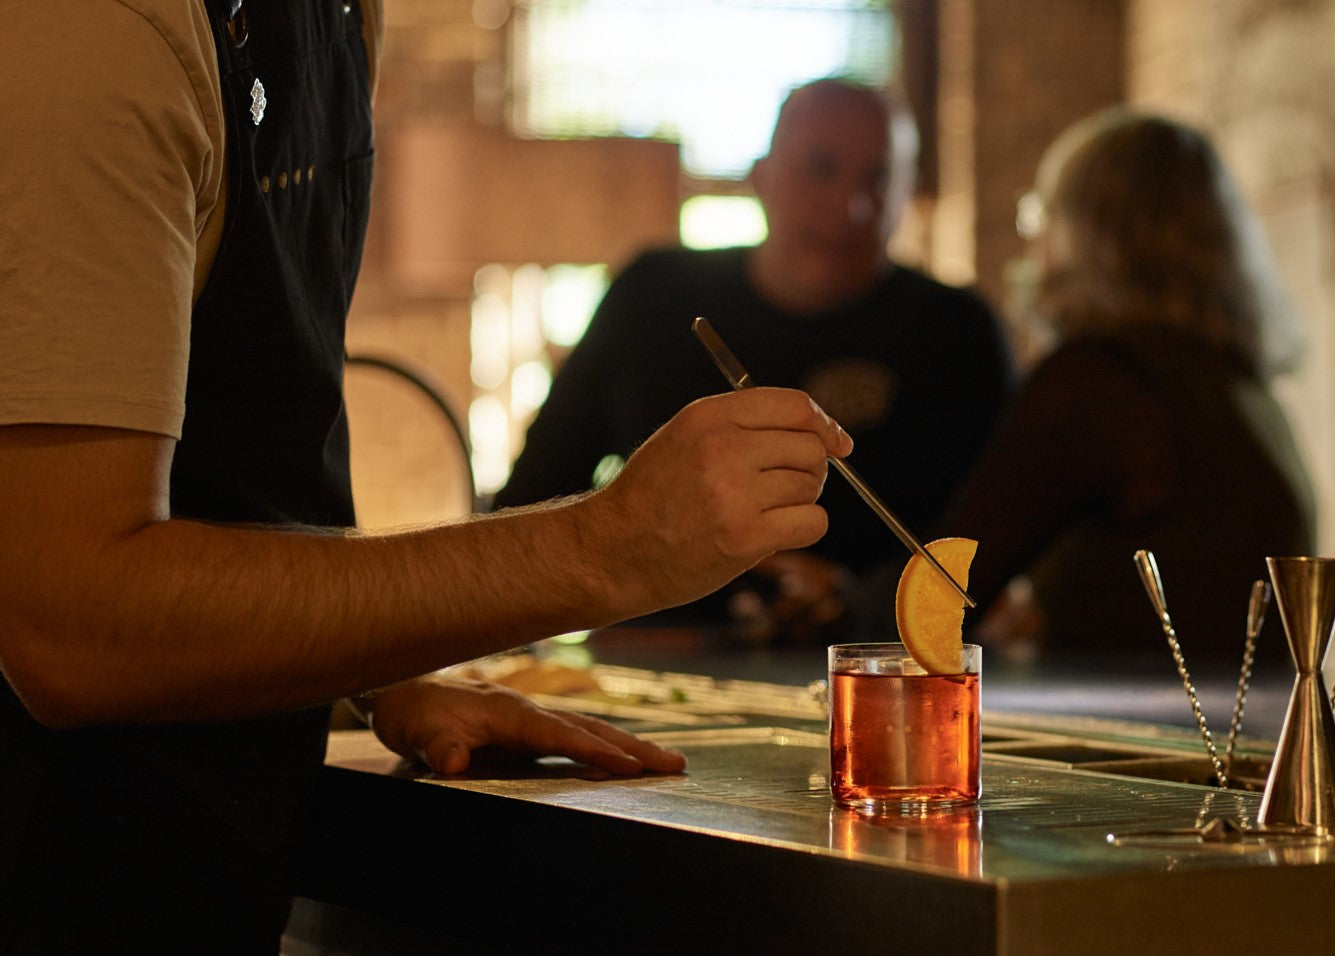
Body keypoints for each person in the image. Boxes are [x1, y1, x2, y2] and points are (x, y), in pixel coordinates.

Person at [0, 2, 851, 949]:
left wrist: (376, 662)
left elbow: (249, 439)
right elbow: (68, 621)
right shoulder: (97, 32)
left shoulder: (337, 22)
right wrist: (605, 546)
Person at [495, 77, 1014, 644]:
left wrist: (855, 598)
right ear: (760, 178)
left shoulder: (958, 330)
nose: (851, 206)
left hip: (888, 666)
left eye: (878, 179)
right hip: (670, 655)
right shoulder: (654, 298)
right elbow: (524, 516)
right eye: (820, 168)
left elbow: (1005, 552)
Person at [894, 109, 1317, 670]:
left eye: (1040, 214)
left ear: (1083, 234)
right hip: (1249, 736)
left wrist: (833, 607)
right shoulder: (1238, 383)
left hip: (1144, 746)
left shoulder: (1101, 380)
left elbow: (943, 591)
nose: (1035, 237)